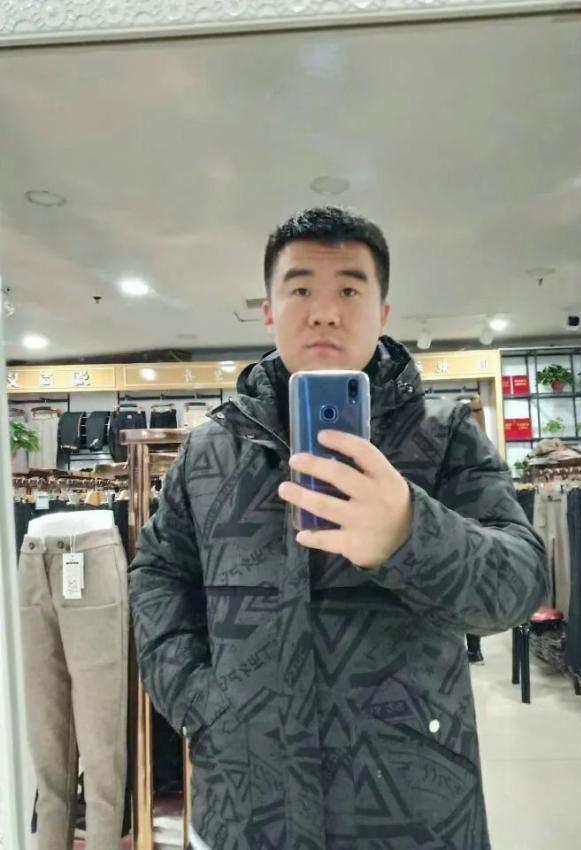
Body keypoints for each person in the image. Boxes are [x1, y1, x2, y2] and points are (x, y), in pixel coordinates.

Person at [129, 206, 548, 850]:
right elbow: (157, 575)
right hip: (245, 807)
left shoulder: (444, 436)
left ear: (383, 312)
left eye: (350, 290)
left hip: (412, 811)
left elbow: (520, 583)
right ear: (268, 310)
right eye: (300, 289)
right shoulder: (211, 449)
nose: (324, 312)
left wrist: (410, 534)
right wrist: (198, 702)